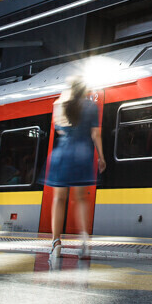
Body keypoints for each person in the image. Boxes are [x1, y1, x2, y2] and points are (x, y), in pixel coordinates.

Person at [46, 77, 105, 259]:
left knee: (59, 199)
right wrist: (101, 157)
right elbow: (95, 134)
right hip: (83, 155)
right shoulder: (91, 106)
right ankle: (84, 242)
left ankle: (56, 243)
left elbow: (59, 130)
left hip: (63, 153)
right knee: (81, 200)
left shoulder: (60, 104)